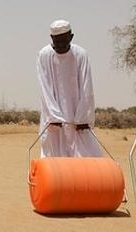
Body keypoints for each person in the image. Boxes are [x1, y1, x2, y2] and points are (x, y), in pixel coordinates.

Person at [36, 20, 103, 158]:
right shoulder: (44, 55)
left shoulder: (81, 54)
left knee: (86, 156)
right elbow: (45, 89)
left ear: (71, 37)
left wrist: (83, 118)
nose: (60, 46)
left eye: (63, 41)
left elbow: (86, 87)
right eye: (57, 42)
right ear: (52, 39)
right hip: (53, 119)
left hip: (77, 116)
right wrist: (53, 116)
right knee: (53, 155)